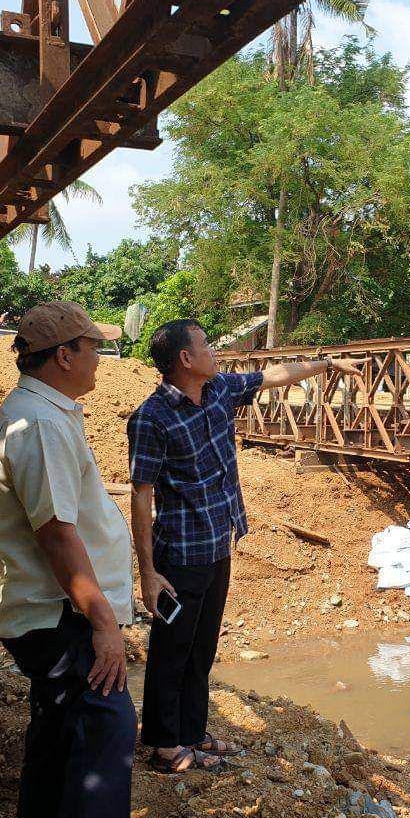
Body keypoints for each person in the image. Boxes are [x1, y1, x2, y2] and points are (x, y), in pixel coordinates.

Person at [127, 319, 363, 772]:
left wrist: (326, 362)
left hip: (219, 544)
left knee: (202, 648)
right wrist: (148, 570)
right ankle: (163, 744)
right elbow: (142, 496)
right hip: (180, 554)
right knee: (172, 650)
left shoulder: (218, 391)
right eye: (206, 346)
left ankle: (193, 732)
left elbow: (274, 375)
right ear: (185, 359)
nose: (215, 352)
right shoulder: (151, 419)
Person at [0, 301, 136, 818]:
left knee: (55, 742)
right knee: (106, 734)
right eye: (93, 346)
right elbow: (56, 534)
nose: (101, 356)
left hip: (50, 615)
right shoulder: (38, 424)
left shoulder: (43, 414)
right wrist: (103, 623)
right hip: (62, 619)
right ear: (64, 355)